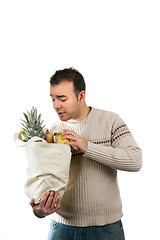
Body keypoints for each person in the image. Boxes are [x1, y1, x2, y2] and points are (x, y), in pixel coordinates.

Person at [30, 67, 142, 240]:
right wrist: (39, 210)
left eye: (62, 98)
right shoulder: (52, 132)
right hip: (61, 228)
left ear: (81, 96)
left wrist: (86, 146)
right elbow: (45, 180)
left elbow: (135, 160)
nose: (55, 105)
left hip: (106, 229)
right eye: (52, 99)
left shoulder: (110, 121)